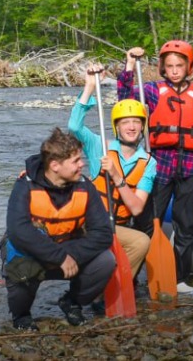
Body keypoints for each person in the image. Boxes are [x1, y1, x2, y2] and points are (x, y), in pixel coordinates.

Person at [119, 40, 193, 296]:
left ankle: (178, 277)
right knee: (148, 223)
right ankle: (135, 274)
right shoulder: (151, 91)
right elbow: (125, 101)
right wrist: (129, 65)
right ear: (163, 67)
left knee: (186, 226)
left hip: (192, 169)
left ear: (189, 67)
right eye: (170, 66)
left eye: (179, 66)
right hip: (158, 167)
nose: (174, 70)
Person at [1, 128, 116, 329]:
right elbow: (18, 231)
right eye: (76, 161)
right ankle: (21, 317)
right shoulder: (25, 185)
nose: (83, 164)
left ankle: (72, 302)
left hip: (70, 251)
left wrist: (67, 255)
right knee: (19, 262)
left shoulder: (85, 187)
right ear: (55, 165)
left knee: (106, 261)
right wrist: (58, 257)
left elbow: (103, 234)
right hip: (32, 254)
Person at [68, 63, 156, 279]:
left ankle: (118, 284)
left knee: (141, 241)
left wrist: (116, 176)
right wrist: (89, 86)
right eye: (126, 122)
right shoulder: (101, 147)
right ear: (117, 127)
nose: (132, 127)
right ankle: (95, 286)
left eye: (136, 122)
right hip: (92, 223)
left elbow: (136, 208)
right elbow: (74, 127)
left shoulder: (148, 162)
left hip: (119, 226)